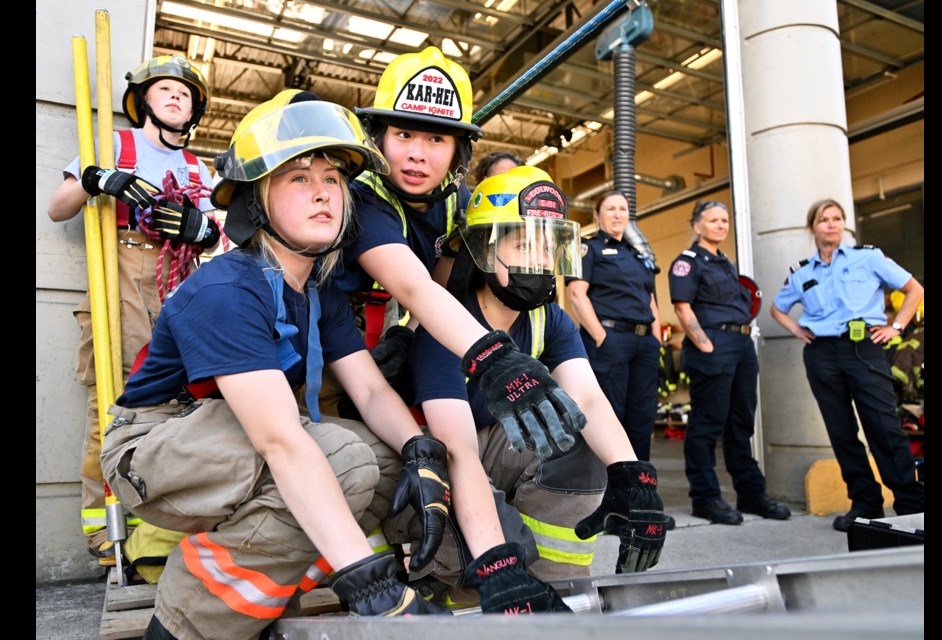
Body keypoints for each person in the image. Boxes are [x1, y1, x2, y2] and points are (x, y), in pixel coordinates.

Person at [100, 91, 454, 640]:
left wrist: (422, 454)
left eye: (332, 180)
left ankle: (275, 586)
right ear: (256, 200)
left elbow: (371, 392)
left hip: (224, 437)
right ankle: (186, 622)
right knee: (336, 458)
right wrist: (370, 582)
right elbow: (281, 442)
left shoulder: (316, 289)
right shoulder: (227, 289)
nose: (323, 194)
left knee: (385, 462)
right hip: (152, 446)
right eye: (298, 178)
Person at [390, 166, 667, 611]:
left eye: (548, 244)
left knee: (575, 435)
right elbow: (455, 450)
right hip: (428, 472)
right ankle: (454, 585)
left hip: (486, 452)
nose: (539, 260)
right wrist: (499, 561)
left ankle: (559, 588)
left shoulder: (549, 320)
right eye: (523, 244)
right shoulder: (447, 326)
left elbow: (589, 400)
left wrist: (634, 478)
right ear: (483, 250)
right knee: (475, 538)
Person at [333, 45, 586, 459]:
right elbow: (413, 288)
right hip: (330, 350)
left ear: (458, 151)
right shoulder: (361, 198)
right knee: (350, 462)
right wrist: (494, 357)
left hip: (401, 350)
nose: (418, 152)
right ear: (378, 137)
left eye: (436, 137)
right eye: (403, 134)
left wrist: (408, 336)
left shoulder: (463, 208)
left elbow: (444, 291)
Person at [47, 54, 221, 557]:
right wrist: (97, 180)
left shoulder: (195, 167)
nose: (174, 97)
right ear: (142, 99)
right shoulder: (112, 146)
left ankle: (159, 529)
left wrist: (202, 229)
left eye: (185, 94)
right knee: (113, 405)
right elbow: (57, 208)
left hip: (178, 283)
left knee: (179, 404)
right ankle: (107, 535)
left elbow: (220, 236)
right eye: (164, 89)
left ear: (193, 111)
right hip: (118, 269)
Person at [770, 197, 924, 531]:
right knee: (841, 432)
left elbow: (914, 289)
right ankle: (866, 503)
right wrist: (797, 329)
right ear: (813, 227)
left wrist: (895, 326)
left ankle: (911, 503)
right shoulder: (802, 272)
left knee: (883, 426)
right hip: (822, 354)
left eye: (838, 218)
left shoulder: (867, 258)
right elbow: (777, 309)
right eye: (825, 219)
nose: (832, 224)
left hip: (864, 348)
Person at [668, 200, 790, 526]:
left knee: (741, 423)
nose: (721, 225)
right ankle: (705, 498)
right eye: (713, 220)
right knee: (707, 424)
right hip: (714, 345)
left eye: (724, 220)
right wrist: (705, 344)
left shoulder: (727, 264)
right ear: (697, 225)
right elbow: (682, 307)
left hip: (740, 345)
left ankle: (751, 494)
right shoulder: (688, 262)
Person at [566, 191, 673, 525]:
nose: (617, 214)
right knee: (609, 420)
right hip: (610, 341)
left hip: (643, 344)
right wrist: (601, 336)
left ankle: (639, 500)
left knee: (641, 422)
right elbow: (575, 293)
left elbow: (650, 300)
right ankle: (606, 503)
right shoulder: (589, 249)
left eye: (623, 209)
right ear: (597, 215)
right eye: (610, 209)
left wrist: (657, 341)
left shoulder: (638, 254)